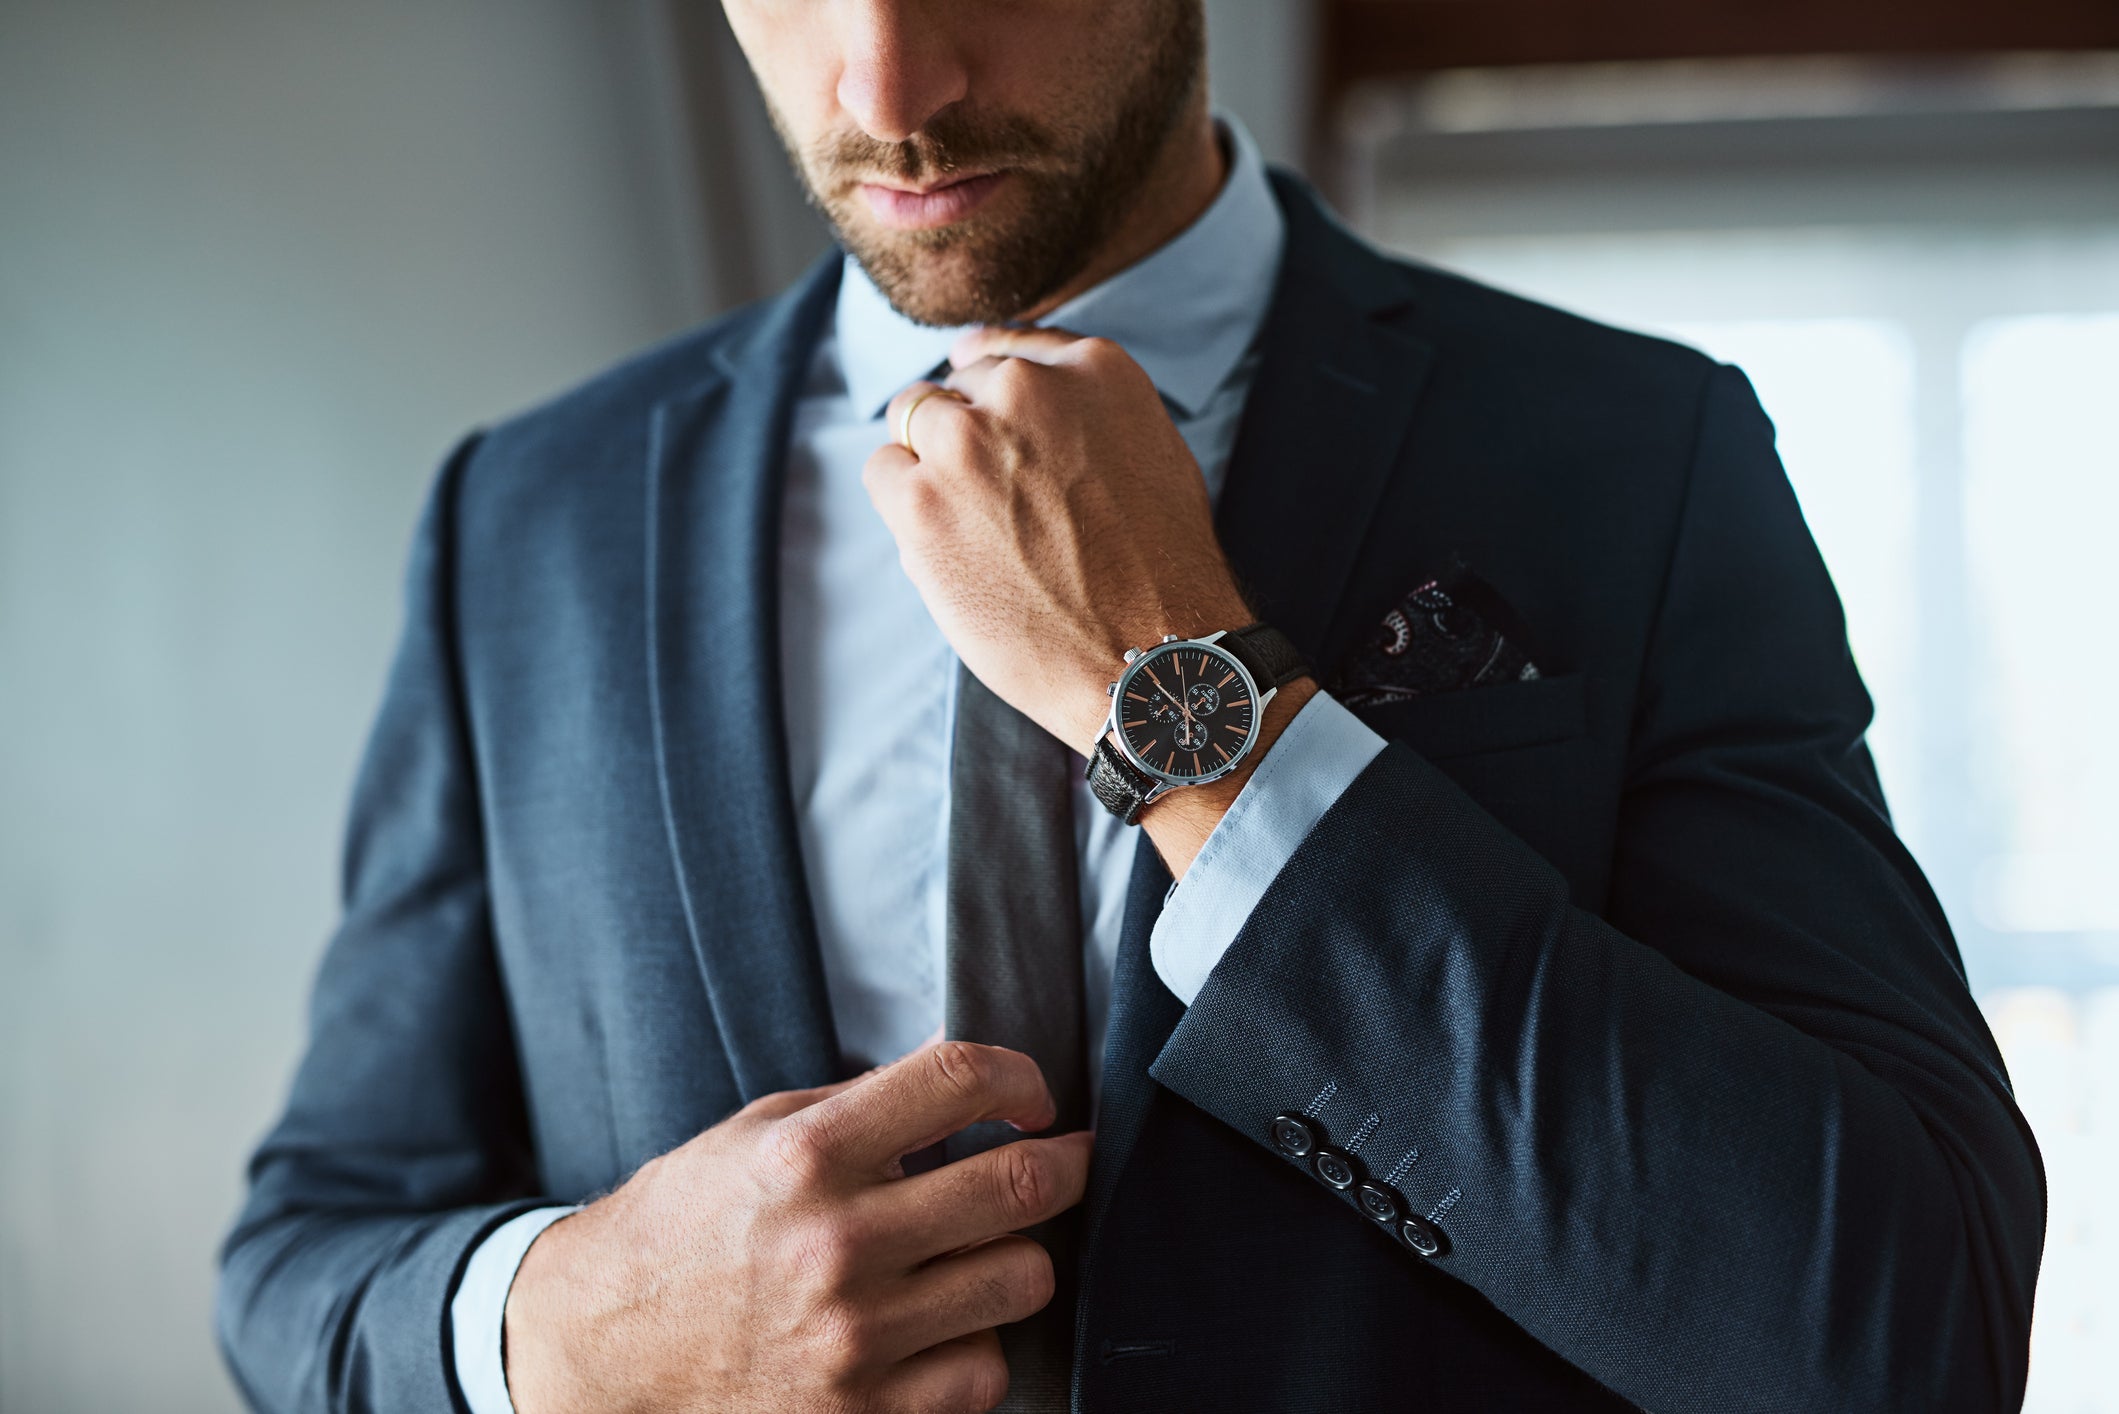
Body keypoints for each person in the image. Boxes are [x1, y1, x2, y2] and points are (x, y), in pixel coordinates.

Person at [216, 3, 2045, 1411]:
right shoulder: (524, 519)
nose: (889, 85)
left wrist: (1203, 712)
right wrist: (571, 1320)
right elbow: (301, 1257)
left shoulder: (1637, 459)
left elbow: (1899, 1327)